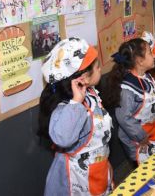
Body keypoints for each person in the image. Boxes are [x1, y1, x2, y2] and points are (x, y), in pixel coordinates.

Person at [37, 37, 112, 196]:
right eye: (97, 66)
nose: (100, 69)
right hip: (76, 183)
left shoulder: (91, 93)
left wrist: (106, 166)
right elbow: (63, 138)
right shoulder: (66, 109)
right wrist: (77, 102)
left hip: (98, 171)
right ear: (83, 78)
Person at [102, 32, 155, 163]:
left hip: (153, 130)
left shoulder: (146, 77)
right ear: (140, 61)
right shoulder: (128, 90)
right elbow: (124, 118)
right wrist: (141, 137)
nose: (154, 55)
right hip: (138, 140)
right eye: (150, 53)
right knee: (148, 171)